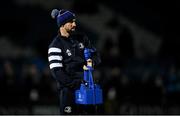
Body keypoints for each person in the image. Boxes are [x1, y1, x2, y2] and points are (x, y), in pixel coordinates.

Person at [48, 9, 101, 114]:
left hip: (87, 89)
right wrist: (76, 84)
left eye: (74, 21)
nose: (74, 24)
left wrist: (92, 61)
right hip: (69, 92)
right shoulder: (55, 45)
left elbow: (96, 56)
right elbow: (57, 72)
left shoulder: (82, 38)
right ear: (62, 24)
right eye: (71, 22)